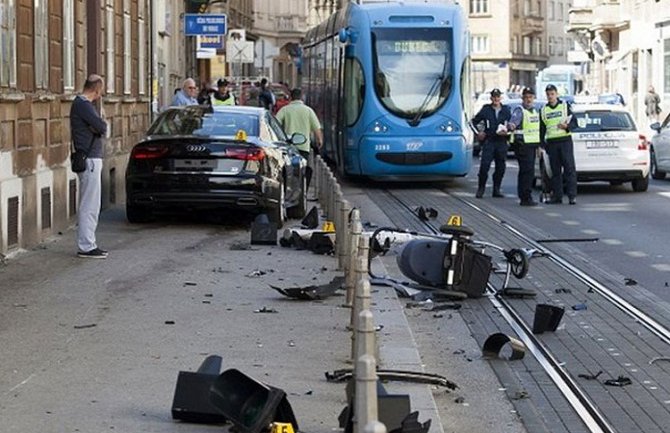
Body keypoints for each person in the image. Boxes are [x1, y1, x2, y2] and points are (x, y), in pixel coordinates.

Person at [70, 74, 108, 258]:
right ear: (97, 89)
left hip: (90, 158)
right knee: (89, 204)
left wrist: (97, 126)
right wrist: (98, 125)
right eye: (101, 90)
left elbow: (98, 127)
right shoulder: (83, 105)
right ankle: (86, 245)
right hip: (90, 159)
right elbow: (101, 127)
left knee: (91, 203)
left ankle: (88, 243)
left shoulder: (83, 105)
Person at [276, 88, 323, 191]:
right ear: (301, 97)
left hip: (289, 147)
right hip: (304, 147)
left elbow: (276, 124)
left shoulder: (285, 110)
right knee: (303, 170)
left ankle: (289, 189)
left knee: (289, 171)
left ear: (291, 97)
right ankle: (302, 190)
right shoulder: (308, 110)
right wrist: (320, 141)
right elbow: (317, 128)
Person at [470, 88, 512, 198]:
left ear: (500, 98)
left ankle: (496, 189)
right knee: (484, 166)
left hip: (501, 142)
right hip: (489, 141)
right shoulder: (486, 109)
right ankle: (481, 188)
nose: (496, 99)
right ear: (491, 98)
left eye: (498, 97)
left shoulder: (506, 110)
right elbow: (472, 122)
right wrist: (479, 133)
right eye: (494, 97)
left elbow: (511, 125)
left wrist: (508, 131)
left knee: (501, 167)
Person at [540, 84, 577, 205]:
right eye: (548, 94)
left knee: (569, 169)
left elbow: (575, 122)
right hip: (552, 143)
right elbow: (542, 129)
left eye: (552, 94)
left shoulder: (565, 106)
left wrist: (567, 126)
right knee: (555, 172)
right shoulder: (544, 110)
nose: (550, 97)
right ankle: (557, 196)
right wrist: (541, 145)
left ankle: (572, 196)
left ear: (556, 94)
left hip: (565, 141)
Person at [508, 87, 541, 206]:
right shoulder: (519, 110)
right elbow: (513, 124)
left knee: (529, 172)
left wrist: (539, 146)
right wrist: (510, 126)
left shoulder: (535, 111)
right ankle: (525, 197)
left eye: (530, 97)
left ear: (533, 98)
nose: (528, 99)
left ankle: (526, 196)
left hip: (532, 144)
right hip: (522, 145)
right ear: (522, 98)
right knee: (526, 172)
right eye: (526, 97)